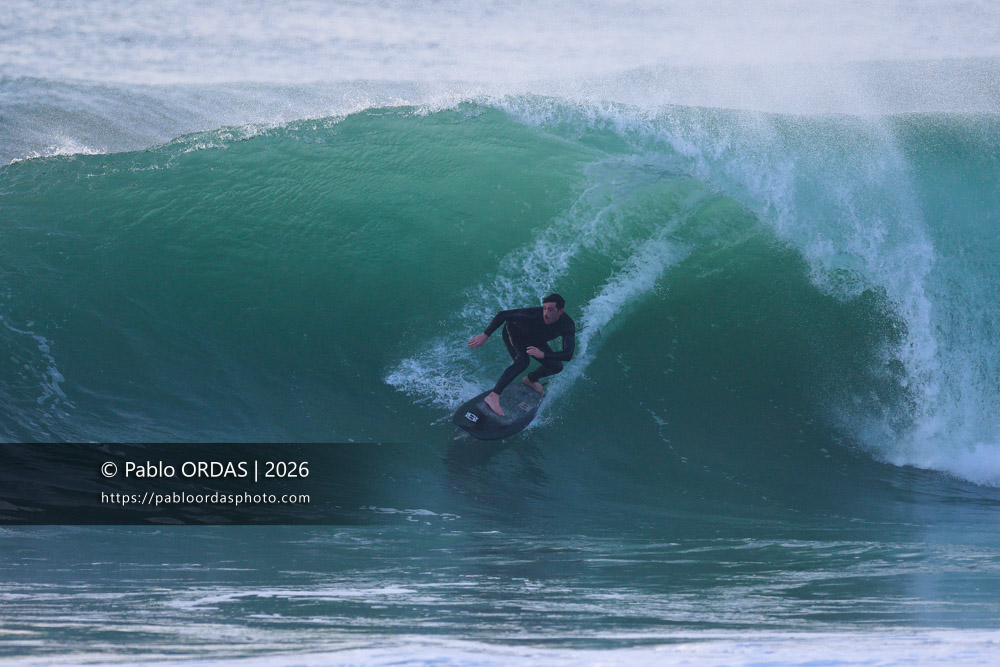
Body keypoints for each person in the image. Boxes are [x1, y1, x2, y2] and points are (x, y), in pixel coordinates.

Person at [467, 293, 575, 416]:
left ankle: (530, 380)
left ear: (560, 311)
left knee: (557, 366)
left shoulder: (567, 325)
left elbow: (568, 354)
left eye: (550, 309)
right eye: (544, 308)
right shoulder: (535, 314)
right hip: (514, 332)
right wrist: (484, 335)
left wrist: (543, 355)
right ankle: (493, 396)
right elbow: (503, 315)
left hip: (535, 341)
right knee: (522, 362)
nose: (545, 313)